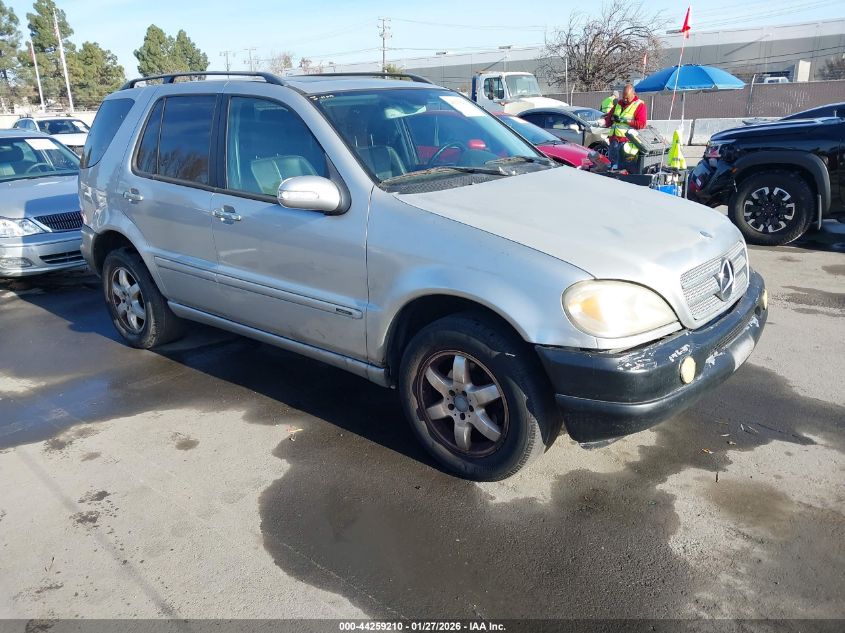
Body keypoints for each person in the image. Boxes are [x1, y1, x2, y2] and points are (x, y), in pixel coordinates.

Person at [603, 83, 647, 169]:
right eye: (623, 97)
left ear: (633, 94)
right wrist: (611, 118)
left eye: (627, 98)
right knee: (612, 166)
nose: (625, 100)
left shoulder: (639, 105)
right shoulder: (619, 103)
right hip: (614, 141)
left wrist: (625, 121)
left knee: (622, 168)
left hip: (626, 143)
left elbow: (641, 124)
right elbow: (608, 122)